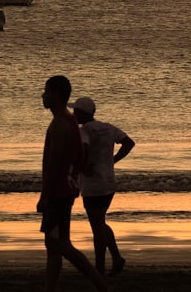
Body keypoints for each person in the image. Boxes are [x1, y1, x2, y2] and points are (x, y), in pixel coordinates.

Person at [38, 76, 108, 292]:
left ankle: (100, 284)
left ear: (56, 95)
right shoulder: (68, 121)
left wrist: (45, 195)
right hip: (66, 189)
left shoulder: (60, 123)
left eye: (46, 91)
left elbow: (54, 163)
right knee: (54, 245)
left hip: (58, 192)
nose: (43, 95)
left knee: (60, 244)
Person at [71, 96, 135, 276]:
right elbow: (129, 143)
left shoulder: (84, 131)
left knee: (97, 226)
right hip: (108, 181)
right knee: (99, 223)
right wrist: (113, 160)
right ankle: (110, 261)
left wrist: (82, 167)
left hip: (93, 185)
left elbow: (83, 149)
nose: (73, 114)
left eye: (75, 111)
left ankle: (107, 263)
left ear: (82, 113)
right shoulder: (107, 127)